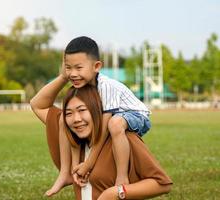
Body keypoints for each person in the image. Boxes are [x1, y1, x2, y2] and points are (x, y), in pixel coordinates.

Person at [39, 36, 151, 196]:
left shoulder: (105, 86)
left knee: (115, 124)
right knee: (64, 119)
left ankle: (121, 176)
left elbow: (104, 127)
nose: (73, 74)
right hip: (113, 116)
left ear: (96, 66)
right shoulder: (83, 85)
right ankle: (65, 173)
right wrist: (76, 166)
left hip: (136, 115)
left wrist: (88, 164)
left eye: (79, 68)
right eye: (68, 68)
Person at [30, 81, 172, 199]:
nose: (76, 119)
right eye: (69, 113)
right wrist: (65, 75)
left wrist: (116, 193)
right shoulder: (69, 137)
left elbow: (162, 184)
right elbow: (37, 104)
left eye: (82, 110)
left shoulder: (123, 138)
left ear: (98, 111)